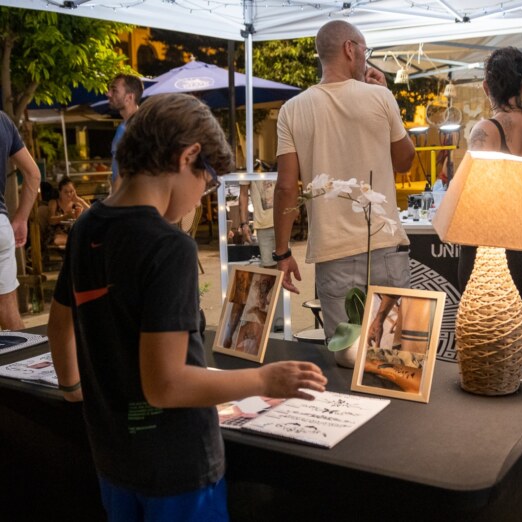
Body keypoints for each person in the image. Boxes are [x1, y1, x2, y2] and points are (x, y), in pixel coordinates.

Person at [47, 93, 327, 521]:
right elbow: (166, 385)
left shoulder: (87, 226)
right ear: (188, 156)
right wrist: (264, 378)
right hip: (177, 467)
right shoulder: (168, 245)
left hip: (112, 457)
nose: (203, 197)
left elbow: (59, 322)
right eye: (209, 181)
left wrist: (71, 389)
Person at [274, 20, 415, 340]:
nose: (366, 58)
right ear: (349, 49)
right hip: (385, 247)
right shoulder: (380, 98)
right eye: (365, 50)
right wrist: (387, 99)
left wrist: (282, 253)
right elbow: (405, 161)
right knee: (394, 361)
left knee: (346, 360)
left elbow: (285, 187)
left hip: (332, 254)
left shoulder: (292, 110)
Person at [460, 47, 522, 374]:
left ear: (486, 86)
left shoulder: (485, 130)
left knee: (487, 349)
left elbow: (474, 195)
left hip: (491, 254)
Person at [0, 111, 41, 330]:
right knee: (8, 312)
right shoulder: (4, 121)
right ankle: (26, 363)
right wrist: (21, 218)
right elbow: (33, 174)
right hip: (1, 226)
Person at [107, 74, 143, 193]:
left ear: (129, 97)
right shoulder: (125, 126)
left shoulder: (137, 128)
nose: (108, 94)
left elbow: (125, 172)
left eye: (114, 90)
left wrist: (114, 202)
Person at [239, 179, 276, 268]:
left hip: (282, 220)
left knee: (284, 267)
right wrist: (244, 224)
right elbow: (243, 194)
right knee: (268, 267)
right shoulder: (249, 165)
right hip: (263, 223)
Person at [47, 177, 90, 247]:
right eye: (66, 192)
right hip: (57, 236)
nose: (69, 194)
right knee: (58, 239)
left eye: (71, 191)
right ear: (60, 192)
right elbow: (50, 220)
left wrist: (79, 200)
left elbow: (93, 214)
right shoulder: (54, 203)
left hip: (73, 234)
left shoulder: (77, 204)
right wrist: (66, 216)